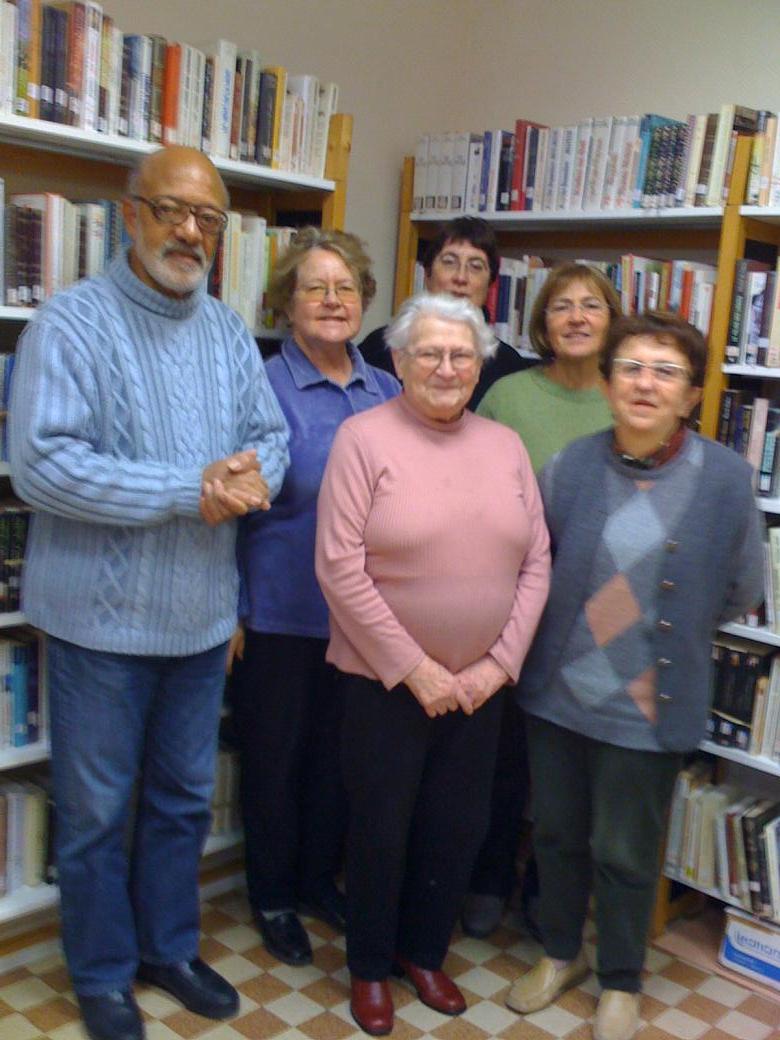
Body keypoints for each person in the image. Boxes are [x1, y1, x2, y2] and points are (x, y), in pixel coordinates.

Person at [8, 146, 290, 1040]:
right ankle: (100, 973)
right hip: (99, 626)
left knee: (180, 800)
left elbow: (270, 436)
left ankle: (168, 949)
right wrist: (187, 489)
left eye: (208, 218)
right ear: (131, 214)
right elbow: (42, 466)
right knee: (95, 815)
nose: (190, 232)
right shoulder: (70, 323)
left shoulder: (227, 331)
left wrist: (252, 473)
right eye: (172, 210)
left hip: (200, 619)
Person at [505, 312, 763, 1040]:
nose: (646, 384)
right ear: (609, 382)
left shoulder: (725, 480)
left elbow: (742, 587)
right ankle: (561, 955)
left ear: (692, 395)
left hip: (648, 710)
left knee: (624, 853)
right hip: (559, 696)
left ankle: (620, 979)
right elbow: (536, 563)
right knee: (555, 836)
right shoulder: (569, 466)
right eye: (631, 367)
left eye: (666, 372)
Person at [315, 292, 550, 1036]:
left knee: (456, 827)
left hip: (479, 689)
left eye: (461, 355)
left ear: (479, 364)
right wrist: (414, 668)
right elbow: (338, 567)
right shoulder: (361, 438)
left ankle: (422, 954)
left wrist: (498, 665)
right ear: (399, 360)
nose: (447, 368)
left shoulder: (504, 445)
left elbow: (537, 561)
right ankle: (368, 966)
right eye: (430, 353)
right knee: (381, 828)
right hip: (384, 684)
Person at [229, 227, 399, 967]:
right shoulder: (260, 386)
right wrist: (234, 609)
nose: (333, 300)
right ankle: (272, 895)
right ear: (286, 302)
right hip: (279, 612)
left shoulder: (388, 390)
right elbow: (232, 505)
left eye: (346, 287)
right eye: (315, 287)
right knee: (274, 762)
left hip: (363, 621)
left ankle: (314, 882)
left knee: (339, 763)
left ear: (364, 300)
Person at [463, 262, 621, 939]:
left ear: (612, 321)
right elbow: (468, 491)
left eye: (591, 305)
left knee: (569, 764)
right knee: (500, 756)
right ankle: (488, 876)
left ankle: (545, 889)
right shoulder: (509, 396)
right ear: (542, 322)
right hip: (508, 606)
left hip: (600, 612)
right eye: (562, 306)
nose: (576, 317)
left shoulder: (628, 398)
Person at [359, 216, 537, 407]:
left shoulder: (508, 366)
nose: (461, 277)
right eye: (449, 262)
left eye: (475, 266)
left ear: (490, 285)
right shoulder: (381, 347)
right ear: (427, 275)